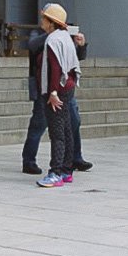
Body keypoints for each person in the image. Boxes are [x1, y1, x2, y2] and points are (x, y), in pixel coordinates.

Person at [22, 11, 91, 175]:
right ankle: (29, 160)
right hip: (45, 89)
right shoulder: (46, 37)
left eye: (44, 18)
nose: (41, 21)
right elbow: (32, 47)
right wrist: (53, 35)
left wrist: (81, 45)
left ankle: (74, 158)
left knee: (72, 124)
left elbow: (73, 61)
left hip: (62, 89)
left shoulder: (61, 38)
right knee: (39, 125)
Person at [34, 3, 81, 188]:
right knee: (67, 129)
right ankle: (67, 170)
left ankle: (56, 172)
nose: (42, 21)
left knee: (57, 132)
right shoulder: (65, 37)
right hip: (68, 87)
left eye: (44, 18)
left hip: (58, 89)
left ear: (51, 22)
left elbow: (55, 67)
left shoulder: (52, 40)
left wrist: (53, 92)